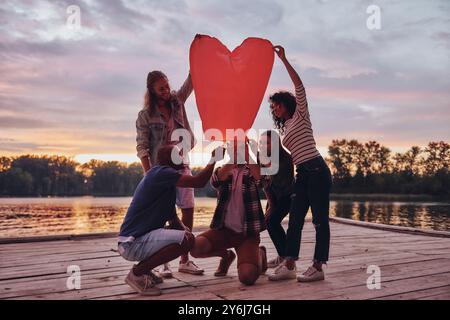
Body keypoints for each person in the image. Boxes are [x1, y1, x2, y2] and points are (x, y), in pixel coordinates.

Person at [117, 145, 224, 295]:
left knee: (186, 237)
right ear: (169, 159)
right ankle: (137, 273)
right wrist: (213, 160)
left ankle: (145, 271)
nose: (182, 157)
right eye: (178, 155)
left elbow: (172, 218)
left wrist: (185, 231)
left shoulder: (164, 181)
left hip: (135, 241)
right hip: (132, 243)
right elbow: (198, 182)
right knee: (185, 240)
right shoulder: (161, 173)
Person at [268, 45, 332, 282]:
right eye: (272, 106)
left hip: (316, 170)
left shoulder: (301, 114)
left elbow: (299, 86)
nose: (274, 108)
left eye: (277, 104)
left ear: (287, 103)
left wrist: (283, 59)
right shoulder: (286, 127)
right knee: (294, 220)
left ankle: (317, 266)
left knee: (319, 220)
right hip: (302, 174)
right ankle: (290, 263)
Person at [136, 70, 201, 277]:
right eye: (160, 88)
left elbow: (191, 82)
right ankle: (163, 262)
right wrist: (150, 176)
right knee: (161, 214)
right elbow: (142, 148)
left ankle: (184, 259)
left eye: (166, 85)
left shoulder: (176, 102)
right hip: (159, 168)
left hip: (180, 162)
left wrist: (196, 61)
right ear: (152, 91)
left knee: (188, 207)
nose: (165, 91)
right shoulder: (145, 115)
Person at [190, 139, 268, 286]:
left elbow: (262, 180)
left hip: (247, 234)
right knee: (195, 248)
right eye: (233, 146)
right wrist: (233, 159)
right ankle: (226, 255)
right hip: (223, 231)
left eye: (240, 146)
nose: (237, 149)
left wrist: (248, 156)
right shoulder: (223, 169)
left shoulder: (253, 169)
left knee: (247, 277)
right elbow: (215, 181)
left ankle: (260, 253)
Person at [257, 130, 295, 270]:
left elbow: (282, 184)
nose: (262, 145)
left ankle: (287, 258)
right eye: (261, 142)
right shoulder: (260, 156)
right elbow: (262, 182)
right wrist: (271, 204)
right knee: (269, 222)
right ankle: (282, 256)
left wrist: (273, 207)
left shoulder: (286, 159)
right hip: (272, 195)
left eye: (266, 143)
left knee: (272, 221)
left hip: (288, 196)